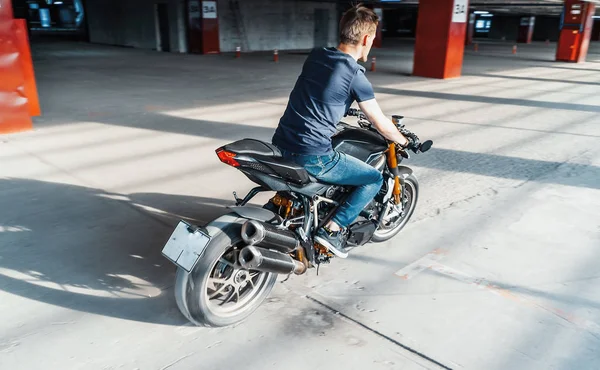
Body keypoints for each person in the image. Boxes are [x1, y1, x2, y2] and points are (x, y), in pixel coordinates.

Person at [272, 4, 409, 258]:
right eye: (373, 39)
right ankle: (332, 230)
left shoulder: (316, 56)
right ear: (366, 38)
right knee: (372, 179)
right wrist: (402, 140)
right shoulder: (355, 75)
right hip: (311, 154)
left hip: (280, 142)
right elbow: (378, 119)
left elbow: (321, 93)